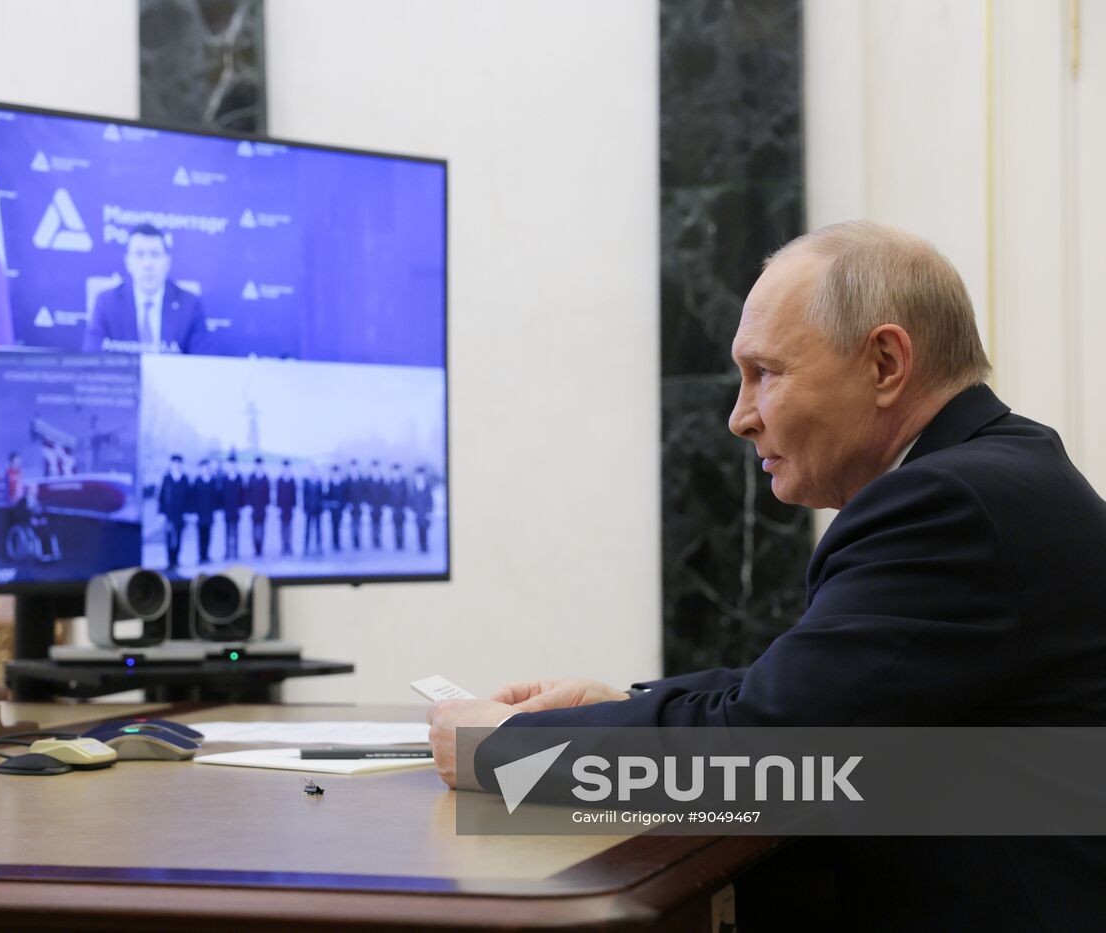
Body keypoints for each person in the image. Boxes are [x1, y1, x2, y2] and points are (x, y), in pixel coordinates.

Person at [425, 221, 1106, 931]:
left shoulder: (945, 503)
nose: (739, 417)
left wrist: (503, 750)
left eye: (766, 373)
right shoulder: (1001, 469)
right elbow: (814, 695)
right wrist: (618, 703)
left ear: (884, 363)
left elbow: (765, 752)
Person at [82, 223, 208, 355]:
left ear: (168, 262)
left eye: (155, 254)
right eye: (139, 254)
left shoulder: (189, 305)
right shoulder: (107, 303)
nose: (148, 264)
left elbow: (203, 361)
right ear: (128, 262)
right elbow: (92, 359)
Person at [158, 453, 192, 572]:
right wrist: (161, 513)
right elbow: (161, 496)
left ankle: (177, 560)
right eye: (174, 463)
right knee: (169, 537)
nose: (176, 465)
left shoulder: (185, 479)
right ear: (171, 464)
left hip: (181, 514)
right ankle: (170, 561)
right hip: (169, 513)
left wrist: (188, 512)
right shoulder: (166, 478)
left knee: (179, 537)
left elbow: (189, 497)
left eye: (178, 463)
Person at [191, 459, 217, 563]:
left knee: (208, 535)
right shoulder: (196, 481)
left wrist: (215, 511)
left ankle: (207, 555)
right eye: (203, 468)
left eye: (207, 468)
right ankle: (201, 556)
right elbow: (193, 498)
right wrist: (193, 513)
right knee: (200, 535)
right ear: (200, 469)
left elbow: (215, 497)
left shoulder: (212, 481)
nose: (205, 470)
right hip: (199, 513)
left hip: (209, 512)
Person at [245, 457, 272, 558]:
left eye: (260, 464)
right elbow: (248, 492)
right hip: (253, 508)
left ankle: (261, 549)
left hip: (263, 508)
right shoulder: (251, 477)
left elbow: (268, 493)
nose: (258, 466)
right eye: (257, 464)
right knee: (254, 528)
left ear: (262, 465)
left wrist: (267, 505)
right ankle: (255, 549)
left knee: (262, 528)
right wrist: (249, 506)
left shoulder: (265, 477)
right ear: (255, 465)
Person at [221, 460, 244, 560]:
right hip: (227, 509)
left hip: (236, 509)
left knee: (235, 531)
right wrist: (221, 508)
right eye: (230, 465)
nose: (231, 467)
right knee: (227, 531)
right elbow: (221, 494)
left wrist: (241, 507)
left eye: (233, 465)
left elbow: (242, 494)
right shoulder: (224, 479)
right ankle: (227, 552)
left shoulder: (239, 478)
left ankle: (235, 551)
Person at [407, 466, 434, 553]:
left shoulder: (427, 487)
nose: (420, 478)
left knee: (424, 530)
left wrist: (429, 511)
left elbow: (430, 501)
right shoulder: (413, 487)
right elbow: (410, 501)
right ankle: (421, 545)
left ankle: (425, 545)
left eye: (422, 476)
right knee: (419, 529)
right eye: (418, 476)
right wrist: (412, 511)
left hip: (425, 513)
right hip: (417, 513)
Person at [275, 459, 297, 556]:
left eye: (287, 467)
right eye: (284, 467)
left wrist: (294, 506)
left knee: (290, 528)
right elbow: (278, 495)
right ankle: (283, 546)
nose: (286, 469)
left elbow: (294, 495)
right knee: (283, 528)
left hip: (290, 508)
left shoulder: (292, 480)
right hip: (282, 508)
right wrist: (278, 507)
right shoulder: (279, 480)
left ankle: (289, 546)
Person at [302, 464, 325, 556]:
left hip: (318, 509)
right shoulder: (306, 482)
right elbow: (304, 495)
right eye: (312, 472)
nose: (313, 473)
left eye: (315, 472)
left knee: (318, 529)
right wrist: (305, 507)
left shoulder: (319, 482)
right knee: (307, 529)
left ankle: (319, 546)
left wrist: (322, 508)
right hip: (309, 509)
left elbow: (322, 496)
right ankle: (306, 547)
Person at [386, 462, 408, 550]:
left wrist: (406, 506)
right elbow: (388, 496)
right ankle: (397, 543)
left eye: (398, 472)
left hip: (401, 508)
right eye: (395, 472)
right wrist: (389, 506)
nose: (396, 474)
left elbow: (406, 495)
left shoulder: (403, 483)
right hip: (393, 508)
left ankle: (401, 543)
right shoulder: (390, 483)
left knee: (401, 526)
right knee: (395, 526)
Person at [365, 459, 386, 549]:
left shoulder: (382, 480)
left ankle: (379, 540)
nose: (375, 470)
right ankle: (374, 540)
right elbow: (366, 493)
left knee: (379, 523)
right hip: (371, 506)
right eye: (374, 468)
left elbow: (385, 493)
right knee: (373, 523)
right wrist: (368, 504)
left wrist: (384, 504)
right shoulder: (368, 480)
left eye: (377, 468)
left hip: (379, 506)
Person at [324, 465, 345, 552]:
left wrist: (342, 505)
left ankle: (338, 543)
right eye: (334, 473)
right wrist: (330, 503)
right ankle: (334, 543)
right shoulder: (330, 484)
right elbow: (327, 497)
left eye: (337, 473)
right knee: (333, 526)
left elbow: (345, 496)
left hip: (340, 509)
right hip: (333, 509)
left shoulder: (342, 484)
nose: (336, 474)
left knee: (339, 526)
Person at [344, 459, 364, 550]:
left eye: (355, 467)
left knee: (359, 523)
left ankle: (358, 541)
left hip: (359, 505)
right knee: (352, 524)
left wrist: (363, 502)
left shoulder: (361, 479)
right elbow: (345, 493)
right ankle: (353, 541)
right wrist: (348, 503)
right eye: (352, 467)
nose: (354, 469)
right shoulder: (347, 480)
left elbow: (364, 492)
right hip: (351, 506)